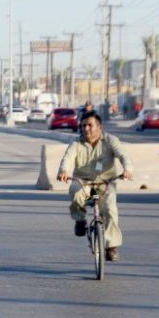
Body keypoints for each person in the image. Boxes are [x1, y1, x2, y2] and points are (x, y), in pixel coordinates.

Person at [56, 111, 133, 262]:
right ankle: (80, 220)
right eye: (83, 125)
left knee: (110, 207)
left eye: (90, 125)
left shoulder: (111, 140)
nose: (86, 129)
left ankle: (111, 247)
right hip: (83, 182)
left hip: (105, 183)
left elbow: (123, 156)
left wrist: (128, 169)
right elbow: (67, 158)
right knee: (74, 190)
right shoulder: (76, 143)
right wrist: (63, 171)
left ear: (99, 127)